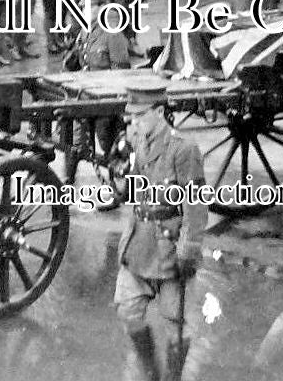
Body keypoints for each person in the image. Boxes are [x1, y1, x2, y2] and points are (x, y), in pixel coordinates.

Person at [115, 79, 206, 381]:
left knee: (176, 325)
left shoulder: (184, 149)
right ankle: (152, 371)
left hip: (169, 247)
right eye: (133, 116)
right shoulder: (140, 141)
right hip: (140, 242)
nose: (134, 122)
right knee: (128, 310)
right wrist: (117, 175)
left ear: (158, 111)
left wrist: (189, 248)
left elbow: (195, 203)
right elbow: (135, 187)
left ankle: (172, 378)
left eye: (140, 116)